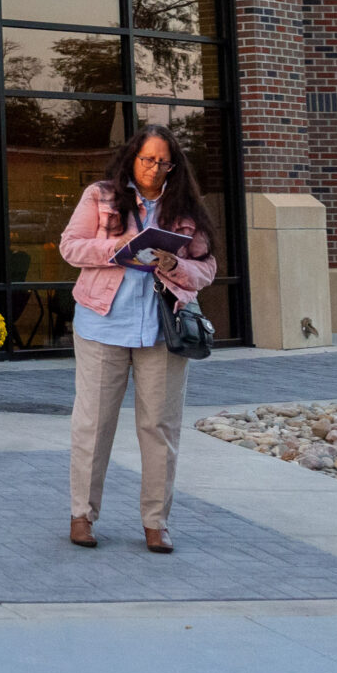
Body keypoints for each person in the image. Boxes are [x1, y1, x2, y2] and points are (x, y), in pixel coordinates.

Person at [60, 126, 218, 554]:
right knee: (93, 426)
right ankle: (82, 516)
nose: (154, 168)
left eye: (163, 161)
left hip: (161, 330)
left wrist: (174, 265)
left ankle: (156, 523)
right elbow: (70, 247)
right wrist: (118, 245)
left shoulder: (185, 205)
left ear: (174, 165)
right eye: (147, 159)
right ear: (132, 158)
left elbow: (206, 269)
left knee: (160, 429)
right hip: (101, 325)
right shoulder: (101, 195)